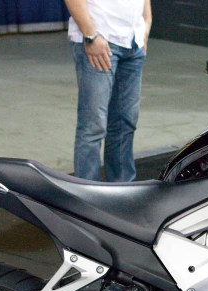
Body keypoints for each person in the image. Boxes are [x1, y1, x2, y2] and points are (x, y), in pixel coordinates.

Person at [65, 0, 152, 182]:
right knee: (93, 127)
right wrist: (90, 36)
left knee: (125, 123)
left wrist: (146, 22)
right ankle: (87, 194)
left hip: (133, 42)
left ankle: (122, 190)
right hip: (100, 41)